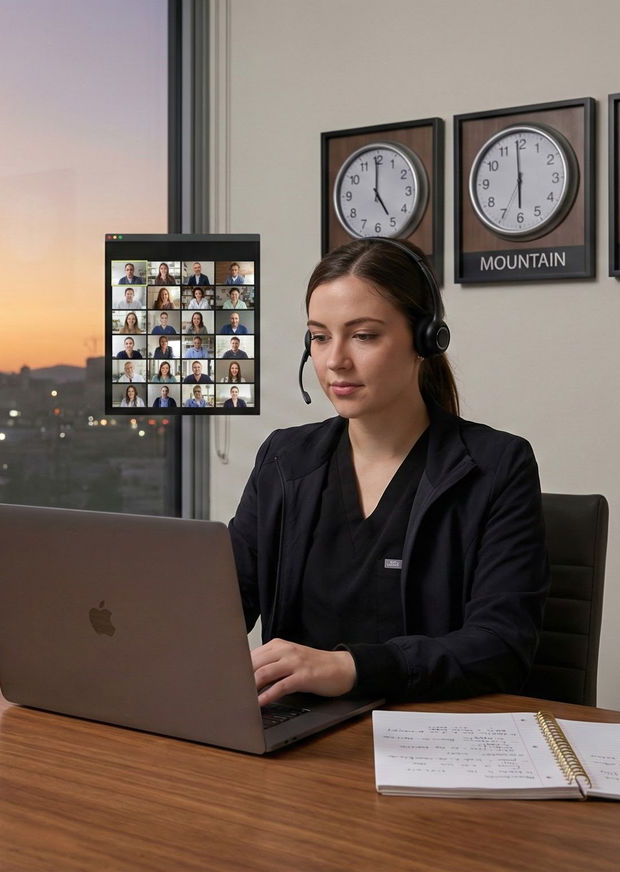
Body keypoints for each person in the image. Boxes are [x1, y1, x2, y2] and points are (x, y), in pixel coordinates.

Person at [231, 238, 548, 707]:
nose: (336, 359)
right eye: (320, 337)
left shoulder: (497, 466)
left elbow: (501, 647)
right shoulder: (284, 459)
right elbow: (219, 606)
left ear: (426, 341)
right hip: (294, 739)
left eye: (364, 335)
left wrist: (349, 668)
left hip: (431, 739)